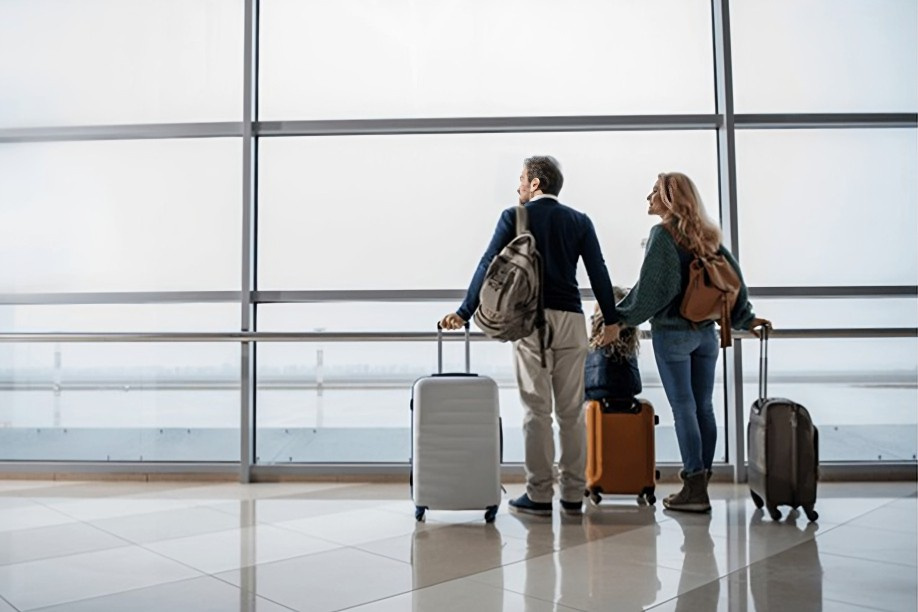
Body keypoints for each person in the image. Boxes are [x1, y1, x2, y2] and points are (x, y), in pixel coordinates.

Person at [440, 155, 621, 517]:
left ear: (536, 184)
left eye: (522, 179)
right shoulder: (580, 221)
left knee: (536, 412)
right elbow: (598, 270)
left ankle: (539, 495)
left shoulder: (515, 217)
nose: (518, 186)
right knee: (571, 413)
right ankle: (572, 495)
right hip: (571, 320)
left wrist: (464, 312)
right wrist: (611, 321)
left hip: (531, 323)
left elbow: (487, 264)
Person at [615, 172, 770, 513]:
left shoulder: (663, 234)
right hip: (707, 334)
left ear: (669, 199)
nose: (648, 196)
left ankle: (694, 488)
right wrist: (745, 317)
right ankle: (702, 483)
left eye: (654, 191)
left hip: (673, 334)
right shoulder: (706, 234)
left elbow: (654, 289)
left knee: (684, 408)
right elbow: (733, 281)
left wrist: (619, 317)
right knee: (704, 407)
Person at [584, 288, 642, 406]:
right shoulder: (629, 353)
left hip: (592, 408)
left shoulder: (589, 352)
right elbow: (636, 387)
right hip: (626, 405)